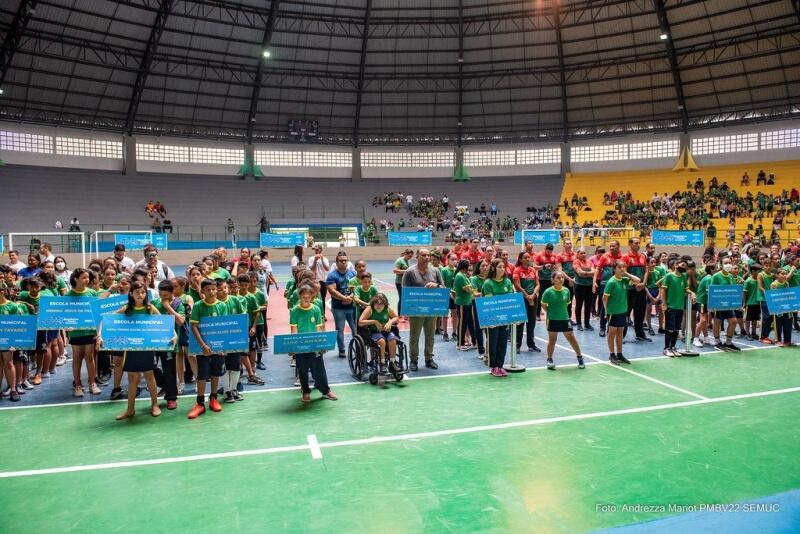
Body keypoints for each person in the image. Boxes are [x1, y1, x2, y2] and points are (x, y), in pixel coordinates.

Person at [98, 281, 168, 419]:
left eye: (142, 292)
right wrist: (100, 335)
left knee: (149, 376)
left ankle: (155, 405)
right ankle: (130, 409)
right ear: (131, 294)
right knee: (132, 379)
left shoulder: (150, 308)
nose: (140, 295)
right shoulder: (126, 309)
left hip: (146, 348)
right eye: (137, 292)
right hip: (130, 349)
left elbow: (164, 323)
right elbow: (107, 320)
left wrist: (174, 335)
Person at [188, 279, 227, 419]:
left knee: (216, 372)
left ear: (216, 290)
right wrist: (203, 345)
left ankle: (213, 398)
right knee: (202, 374)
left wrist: (223, 346)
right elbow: (194, 327)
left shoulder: (222, 306)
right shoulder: (198, 306)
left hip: (218, 347)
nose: (211, 292)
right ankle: (199, 403)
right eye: (208, 289)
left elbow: (223, 326)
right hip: (203, 348)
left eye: (213, 289)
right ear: (202, 291)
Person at [290, 284, 337, 402]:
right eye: (303, 296)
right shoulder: (295, 311)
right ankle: (305, 392)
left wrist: (321, 345)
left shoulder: (316, 309)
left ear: (312, 296)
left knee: (319, 369)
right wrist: (294, 346)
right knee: (302, 370)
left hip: (314, 346)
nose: (306, 298)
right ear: (299, 296)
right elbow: (294, 330)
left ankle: (326, 391)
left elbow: (319, 329)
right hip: (301, 347)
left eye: (308, 296)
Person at [401, 248, 444, 371]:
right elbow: (405, 292)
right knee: (414, 336)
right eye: (423, 255)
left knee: (430, 336)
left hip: (431, 309)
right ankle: (413, 360)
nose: (426, 257)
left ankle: (429, 359)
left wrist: (436, 285)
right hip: (416, 310)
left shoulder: (435, 271)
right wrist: (407, 311)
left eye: (428, 255)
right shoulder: (409, 272)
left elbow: (443, 287)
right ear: (417, 257)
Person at [67, 269, 101, 397]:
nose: (87, 280)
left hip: (89, 331)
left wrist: (98, 333)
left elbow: (97, 313)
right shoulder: (68, 295)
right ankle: (78, 385)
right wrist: (66, 325)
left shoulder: (92, 293)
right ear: (76, 279)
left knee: (90, 357)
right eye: (84, 277)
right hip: (75, 333)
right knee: (77, 358)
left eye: (88, 277)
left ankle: (92, 383)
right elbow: (64, 315)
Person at [541, 272, 585, 370]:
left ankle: (580, 358)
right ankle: (549, 360)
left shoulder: (566, 291)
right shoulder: (548, 292)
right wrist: (550, 312)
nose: (561, 279)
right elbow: (543, 304)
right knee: (552, 340)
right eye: (558, 277)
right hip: (552, 319)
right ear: (552, 280)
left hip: (565, 318)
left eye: (562, 277)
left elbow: (567, 303)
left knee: (572, 338)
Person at [603, 261, 640, 365]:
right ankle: (612, 354)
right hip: (613, 312)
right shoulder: (611, 282)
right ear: (614, 269)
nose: (622, 269)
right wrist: (606, 312)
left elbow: (638, 280)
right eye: (620, 267)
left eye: (624, 267)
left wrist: (626, 273)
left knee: (620, 333)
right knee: (612, 333)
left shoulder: (624, 280)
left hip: (622, 311)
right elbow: (604, 298)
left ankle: (619, 353)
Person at [482, 258, 514, 377]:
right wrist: (492, 318)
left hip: (505, 318)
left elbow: (511, 299)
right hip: (492, 319)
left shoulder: (507, 282)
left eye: (503, 267)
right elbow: (489, 302)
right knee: (493, 342)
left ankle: (500, 366)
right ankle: (493, 366)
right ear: (494, 268)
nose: (502, 269)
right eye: (499, 267)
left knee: (503, 342)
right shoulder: (488, 283)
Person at [358, 293, 400, 375]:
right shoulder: (369, 309)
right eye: (377, 303)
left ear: (384, 303)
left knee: (393, 339)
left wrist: (390, 322)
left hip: (386, 331)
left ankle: (392, 362)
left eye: (381, 304)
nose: (379, 305)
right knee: (381, 341)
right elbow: (360, 322)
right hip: (374, 332)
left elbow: (396, 318)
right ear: (373, 302)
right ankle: (382, 363)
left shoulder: (387, 309)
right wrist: (374, 321)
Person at [660, 258, 695, 357]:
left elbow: (686, 288)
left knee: (676, 329)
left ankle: (673, 347)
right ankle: (666, 348)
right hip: (670, 306)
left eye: (685, 266)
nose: (684, 268)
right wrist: (664, 304)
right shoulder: (669, 276)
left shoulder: (683, 277)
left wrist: (692, 293)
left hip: (680, 307)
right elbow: (663, 290)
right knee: (670, 328)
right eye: (682, 265)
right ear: (676, 265)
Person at [326, 251, 356, 358]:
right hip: (338, 308)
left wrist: (351, 297)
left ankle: (357, 347)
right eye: (341, 260)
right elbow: (332, 291)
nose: (343, 262)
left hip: (352, 307)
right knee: (340, 328)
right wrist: (344, 298)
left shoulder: (353, 274)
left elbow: (357, 288)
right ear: (336, 262)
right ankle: (342, 349)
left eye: (345, 260)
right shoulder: (332, 275)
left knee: (355, 328)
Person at [709, 257, 742, 352]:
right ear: (721, 265)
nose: (728, 264)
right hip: (718, 304)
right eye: (726, 263)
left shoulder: (731, 276)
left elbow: (732, 291)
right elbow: (712, 291)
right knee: (717, 322)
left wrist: (737, 304)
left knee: (733, 321)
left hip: (728, 305)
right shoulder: (716, 276)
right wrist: (712, 305)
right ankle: (717, 342)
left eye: (729, 262)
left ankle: (728, 343)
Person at [512, 251, 541, 353]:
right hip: (522, 299)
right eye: (525, 257)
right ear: (520, 259)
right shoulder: (517, 270)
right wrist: (526, 295)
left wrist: (533, 295)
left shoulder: (533, 270)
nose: (527, 259)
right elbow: (517, 285)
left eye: (528, 257)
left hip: (533, 298)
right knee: (520, 322)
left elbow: (537, 284)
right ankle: (517, 345)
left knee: (532, 322)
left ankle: (531, 344)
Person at [623, 237, 650, 342]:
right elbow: (624, 272)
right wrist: (635, 284)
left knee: (640, 312)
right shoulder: (625, 257)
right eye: (636, 243)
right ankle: (622, 336)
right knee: (626, 313)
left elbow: (646, 271)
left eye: (639, 243)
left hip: (641, 289)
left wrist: (643, 283)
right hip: (629, 289)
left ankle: (640, 334)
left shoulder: (643, 256)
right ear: (630, 244)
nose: (638, 245)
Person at [0, 286, 22, 401]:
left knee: (9, 363)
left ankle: (13, 390)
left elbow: (17, 325)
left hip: (7, 340)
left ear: (2, 292)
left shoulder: (12, 306)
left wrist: (14, 342)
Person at [452, 260, 477, 351]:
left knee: (470, 323)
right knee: (463, 323)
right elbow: (468, 289)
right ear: (465, 267)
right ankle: (460, 343)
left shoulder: (463, 275)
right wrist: (476, 293)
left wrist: (473, 291)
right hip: (462, 303)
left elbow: (469, 287)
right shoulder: (459, 276)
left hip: (467, 302)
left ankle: (474, 342)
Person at [573, 249, 595, 331]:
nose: (583, 254)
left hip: (589, 286)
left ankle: (587, 324)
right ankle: (579, 324)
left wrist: (585, 273)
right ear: (577, 254)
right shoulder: (576, 262)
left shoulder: (589, 261)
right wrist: (589, 273)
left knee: (588, 306)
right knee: (579, 305)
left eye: (584, 253)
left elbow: (594, 271)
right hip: (579, 286)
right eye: (581, 253)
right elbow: (579, 273)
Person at [770, 269, 794, 346]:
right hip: (778, 308)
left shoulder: (786, 283)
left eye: (785, 274)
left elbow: (788, 294)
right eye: (782, 274)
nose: (784, 275)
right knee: (778, 324)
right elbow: (772, 297)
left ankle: (787, 340)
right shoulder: (774, 284)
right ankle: (778, 340)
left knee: (788, 323)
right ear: (777, 275)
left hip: (787, 307)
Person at [308, 244, 330, 317]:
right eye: (315, 250)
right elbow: (312, 269)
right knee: (314, 298)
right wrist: (315, 261)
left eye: (317, 249)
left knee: (322, 299)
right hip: (314, 282)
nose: (316, 251)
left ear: (321, 250)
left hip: (323, 281)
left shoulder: (325, 259)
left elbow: (327, 269)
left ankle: (323, 314)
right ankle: (314, 314)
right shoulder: (311, 259)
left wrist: (322, 259)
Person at [393, 248, 414, 320]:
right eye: (409, 256)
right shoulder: (400, 260)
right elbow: (395, 270)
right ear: (405, 254)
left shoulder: (407, 261)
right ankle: (399, 315)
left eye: (411, 256)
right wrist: (406, 271)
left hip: (406, 283)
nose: (410, 257)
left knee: (407, 298)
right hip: (399, 283)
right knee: (402, 298)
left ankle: (406, 314)